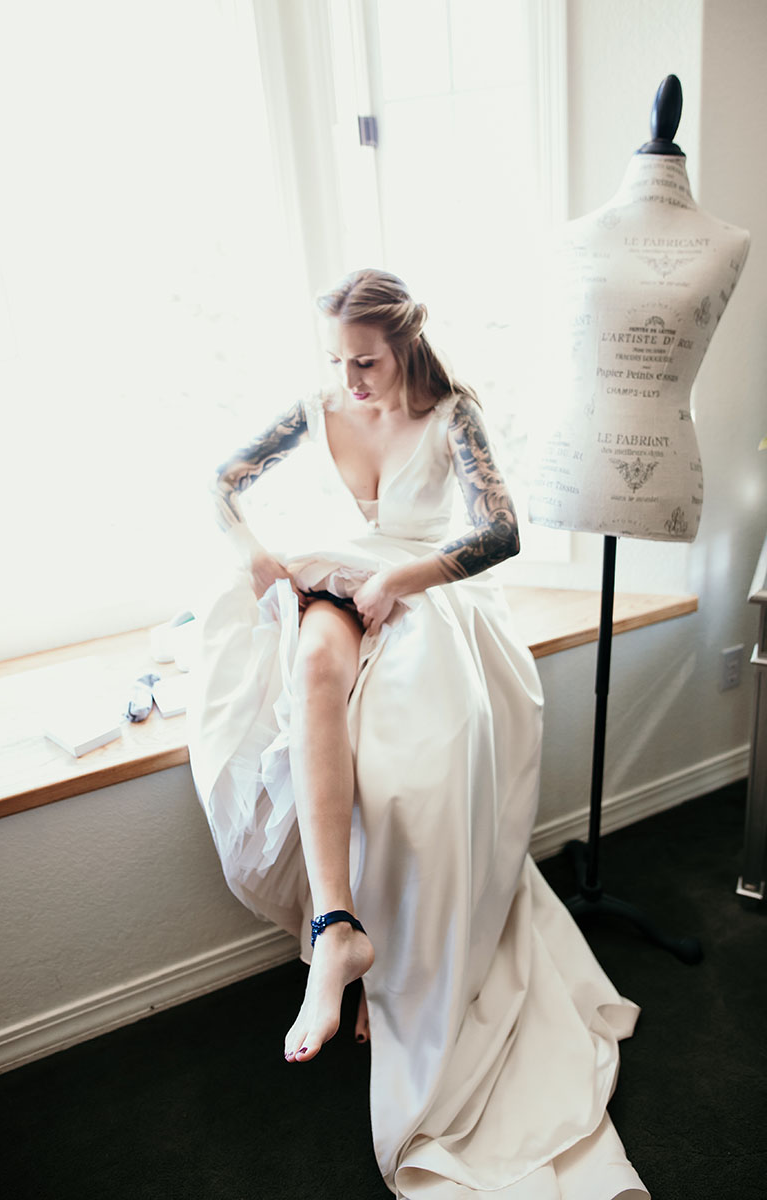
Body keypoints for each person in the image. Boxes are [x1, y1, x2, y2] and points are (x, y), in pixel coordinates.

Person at [188, 269, 650, 1198]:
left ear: (403, 343)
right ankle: (337, 934)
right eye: (336, 360)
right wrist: (253, 553)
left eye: (366, 361)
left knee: (409, 768)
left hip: (424, 591)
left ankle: (398, 965)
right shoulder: (312, 407)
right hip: (335, 581)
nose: (351, 381)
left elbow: (503, 530)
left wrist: (405, 582)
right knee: (316, 669)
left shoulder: (453, 415)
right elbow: (221, 480)